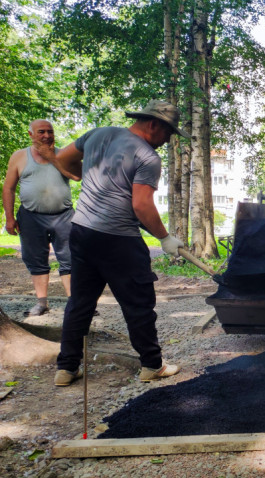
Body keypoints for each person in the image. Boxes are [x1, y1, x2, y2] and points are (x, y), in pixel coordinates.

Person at [35, 100, 190, 387]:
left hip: (81, 232)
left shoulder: (99, 134)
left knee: (80, 303)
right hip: (119, 240)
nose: (167, 141)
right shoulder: (147, 156)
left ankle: (66, 368)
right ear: (154, 124)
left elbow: (64, 159)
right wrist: (165, 238)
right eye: (168, 133)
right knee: (138, 303)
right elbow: (141, 205)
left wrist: (91, 178)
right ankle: (152, 365)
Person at [3, 120, 73, 316]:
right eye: (41, 132)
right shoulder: (19, 156)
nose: (46, 136)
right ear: (30, 134)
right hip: (31, 216)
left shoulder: (63, 154)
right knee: (35, 259)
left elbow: (77, 176)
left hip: (64, 216)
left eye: (50, 132)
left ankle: (74, 303)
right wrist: (9, 217)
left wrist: (52, 157)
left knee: (70, 258)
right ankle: (42, 303)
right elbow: (8, 188)